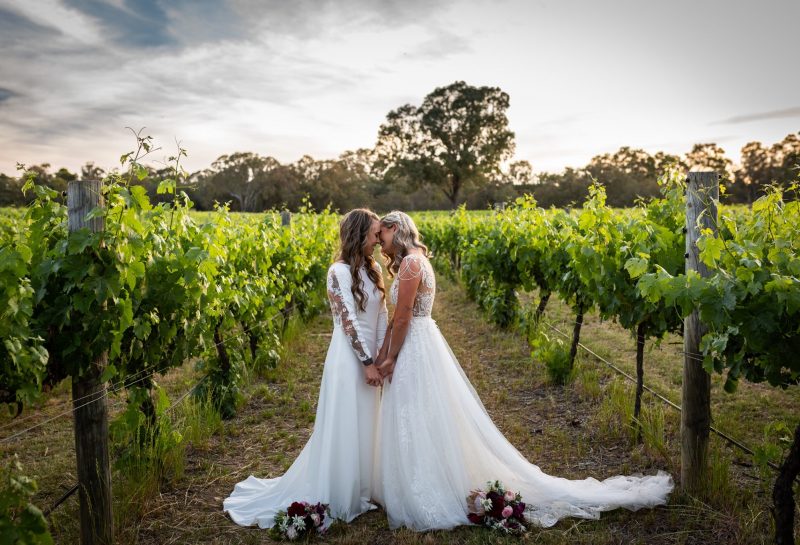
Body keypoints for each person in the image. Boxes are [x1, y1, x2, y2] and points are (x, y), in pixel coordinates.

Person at [372, 210, 674, 531]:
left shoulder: (409, 263)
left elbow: (403, 315)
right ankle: (426, 476)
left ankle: (426, 485)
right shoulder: (418, 259)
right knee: (424, 412)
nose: (380, 243)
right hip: (422, 340)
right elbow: (399, 317)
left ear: (394, 228)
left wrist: (389, 358)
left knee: (416, 411)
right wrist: (385, 351)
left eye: (382, 236)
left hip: (415, 342)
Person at [223, 208, 387, 529]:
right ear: (358, 235)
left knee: (368, 420)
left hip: (372, 360)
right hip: (349, 359)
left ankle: (365, 488)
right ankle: (342, 492)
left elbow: (380, 316)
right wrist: (366, 362)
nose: (377, 241)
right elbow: (348, 322)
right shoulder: (337, 272)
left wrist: (380, 358)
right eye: (373, 234)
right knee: (345, 421)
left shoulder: (375, 269)